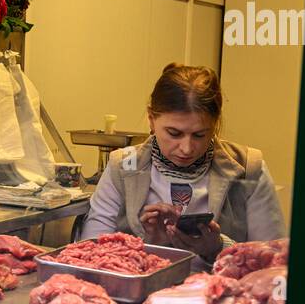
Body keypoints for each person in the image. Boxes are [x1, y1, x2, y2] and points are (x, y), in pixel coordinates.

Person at [80, 63, 286, 263]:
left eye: (199, 135)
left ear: (215, 124)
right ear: (151, 119)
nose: (187, 148)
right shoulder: (124, 165)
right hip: (139, 293)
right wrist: (149, 245)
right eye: (174, 133)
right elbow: (91, 255)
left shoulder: (248, 167)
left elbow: (273, 262)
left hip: (222, 294)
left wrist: (219, 248)